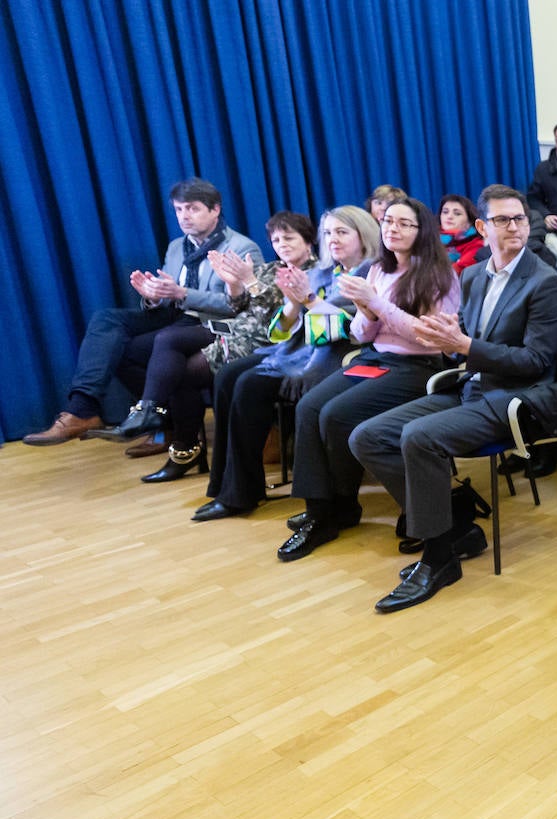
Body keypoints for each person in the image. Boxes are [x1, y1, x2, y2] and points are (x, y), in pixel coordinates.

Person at [347, 186, 557, 610]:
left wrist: (466, 345)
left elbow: (536, 360)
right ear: (483, 228)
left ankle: (440, 558)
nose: (514, 227)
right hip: (471, 388)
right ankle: (454, 526)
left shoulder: (546, 282)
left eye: (519, 218)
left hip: (514, 399)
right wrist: (448, 337)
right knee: (366, 437)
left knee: (418, 437)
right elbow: (465, 336)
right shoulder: (474, 274)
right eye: (502, 220)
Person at [276, 196, 461, 562]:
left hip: (418, 366)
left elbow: (429, 337)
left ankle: (340, 506)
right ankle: (322, 509)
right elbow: (362, 335)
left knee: (336, 414)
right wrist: (364, 309)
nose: (392, 229)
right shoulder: (378, 270)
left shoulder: (440, 275)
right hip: (376, 358)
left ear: (422, 230)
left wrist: (376, 304)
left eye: (403, 223)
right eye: (388, 222)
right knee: (310, 405)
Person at [23, 178, 262, 446]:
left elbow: (246, 306)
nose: (184, 217)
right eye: (179, 210)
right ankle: (84, 408)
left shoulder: (241, 247)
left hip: (215, 324)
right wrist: (153, 297)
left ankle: (161, 422)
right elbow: (168, 294)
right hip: (176, 315)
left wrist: (182, 293)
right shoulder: (176, 246)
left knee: (157, 342)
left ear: (215, 209)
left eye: (192, 209)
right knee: (109, 329)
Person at [89, 212, 319, 485]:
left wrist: (250, 282)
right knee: (168, 340)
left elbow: (274, 319)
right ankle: (151, 415)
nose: (282, 244)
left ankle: (176, 443)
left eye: (289, 238)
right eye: (276, 239)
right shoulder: (270, 268)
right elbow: (237, 308)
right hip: (235, 329)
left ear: (308, 241)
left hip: (268, 342)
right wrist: (234, 284)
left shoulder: (315, 272)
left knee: (179, 368)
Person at [193, 206, 381, 521]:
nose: (332, 239)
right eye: (329, 233)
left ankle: (240, 494)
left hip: (338, 356)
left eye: (342, 232)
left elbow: (344, 330)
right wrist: (295, 305)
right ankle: (229, 486)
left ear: (364, 235)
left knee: (249, 383)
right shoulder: (320, 273)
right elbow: (280, 331)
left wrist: (305, 303)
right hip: (299, 351)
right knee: (227, 375)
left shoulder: (370, 273)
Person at [438, 194, 483, 274]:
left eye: (457, 213)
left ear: (469, 222)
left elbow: (457, 273)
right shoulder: (430, 240)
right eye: (445, 212)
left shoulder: (477, 245)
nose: (449, 216)